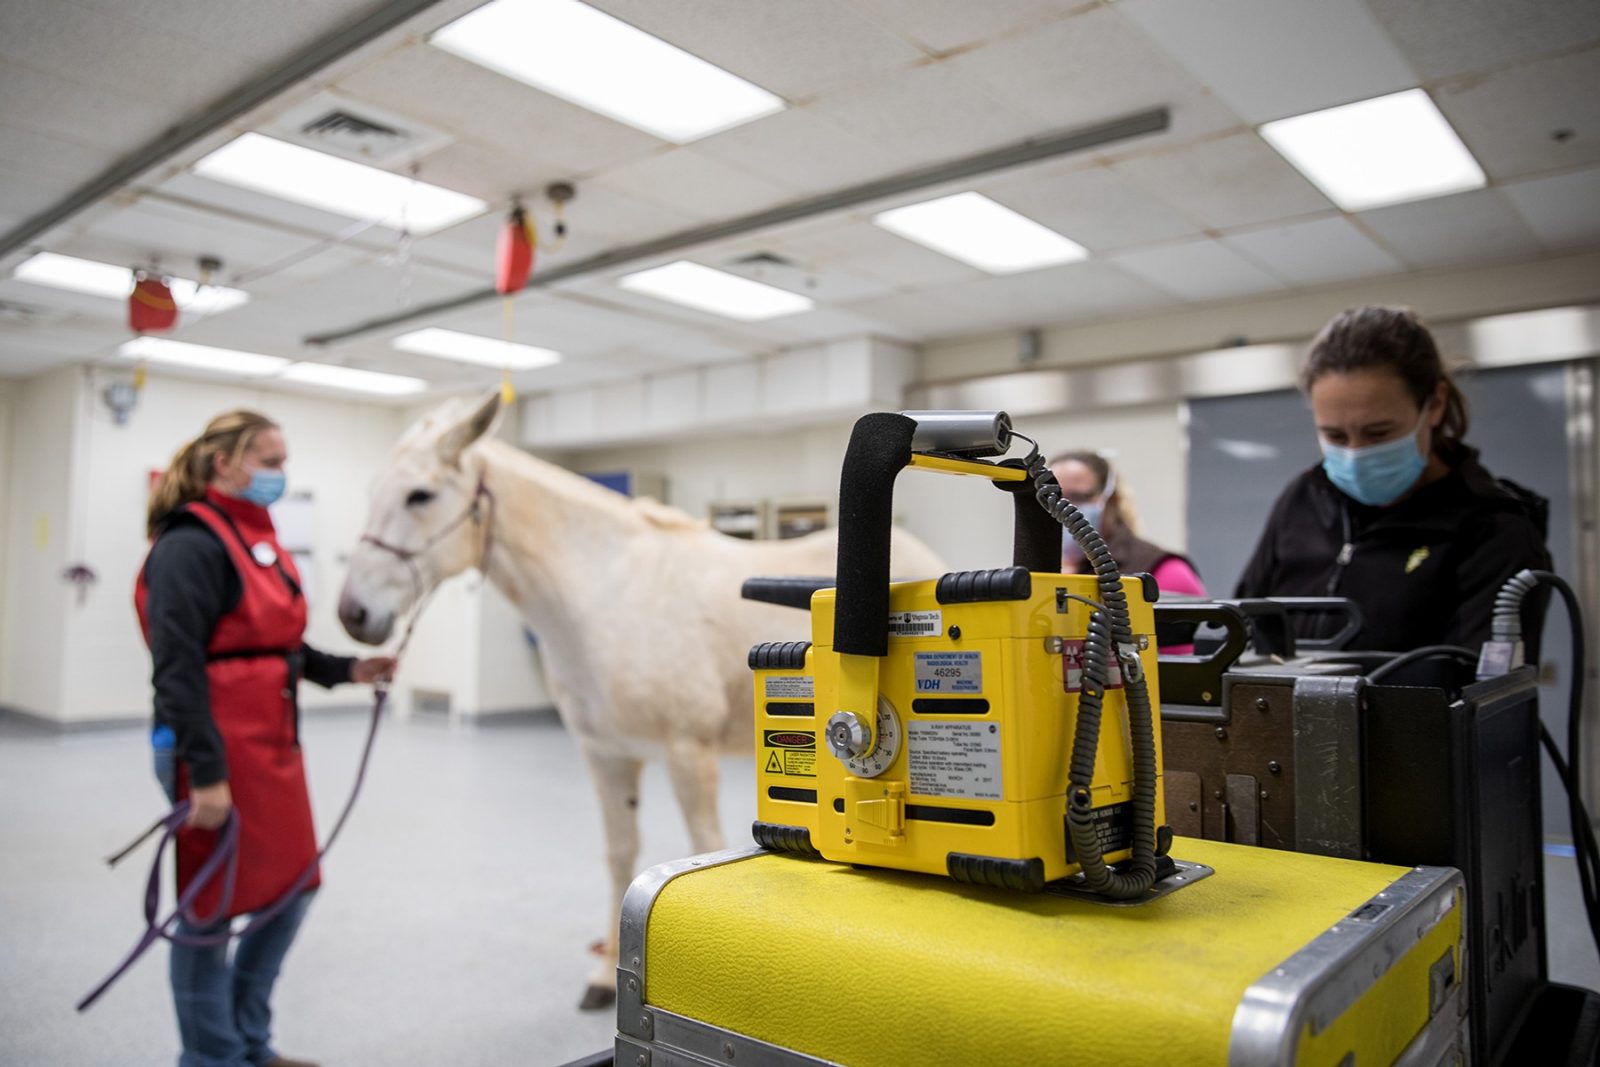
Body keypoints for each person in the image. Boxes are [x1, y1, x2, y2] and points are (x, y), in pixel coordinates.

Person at [137, 410, 393, 1067]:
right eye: (269, 461)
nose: (280, 475)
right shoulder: (189, 543)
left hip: (272, 748)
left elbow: (275, 642)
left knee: (292, 887)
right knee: (209, 915)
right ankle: (212, 1056)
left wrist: (346, 670)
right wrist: (207, 772)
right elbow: (177, 667)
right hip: (212, 753)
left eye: (283, 462)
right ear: (223, 462)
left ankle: (251, 1041)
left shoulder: (255, 536)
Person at [1235, 306, 1551, 651]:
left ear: (1435, 405)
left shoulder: (1494, 531)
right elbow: (1243, 628)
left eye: (1379, 433)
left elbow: (1484, 694)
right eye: (1335, 437)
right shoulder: (1303, 499)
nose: (1355, 454)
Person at [1049, 450, 1205, 598]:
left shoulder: (1164, 569)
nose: (1063, 508)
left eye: (1079, 496)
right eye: (1053, 498)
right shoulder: (1032, 565)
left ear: (1111, 501)